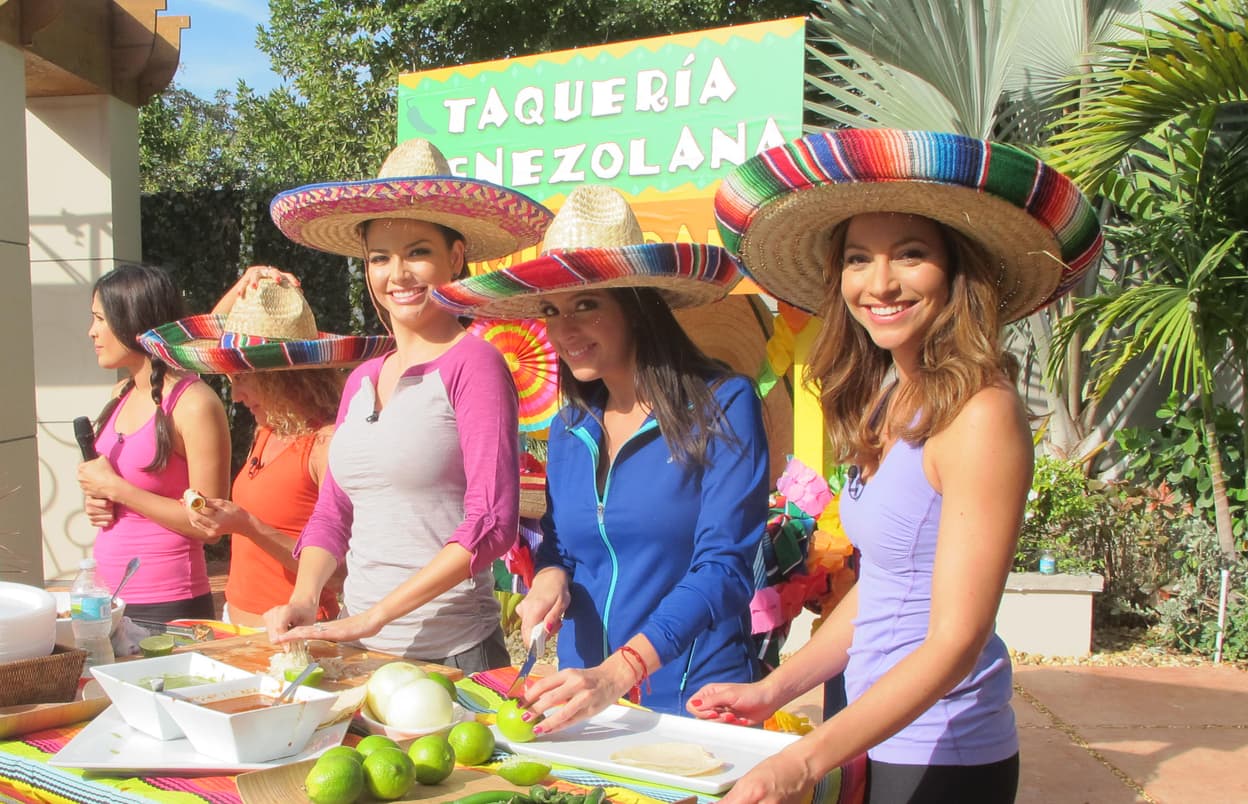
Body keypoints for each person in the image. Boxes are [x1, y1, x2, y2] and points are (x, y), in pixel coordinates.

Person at [688, 129, 1103, 804]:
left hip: (943, 754)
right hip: (870, 732)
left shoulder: (980, 414)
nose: (879, 284)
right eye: (858, 259)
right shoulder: (888, 393)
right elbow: (884, 586)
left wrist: (803, 761)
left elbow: (957, 640)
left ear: (956, 270)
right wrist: (774, 689)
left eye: (910, 254)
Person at [433, 184, 770, 731]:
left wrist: (622, 671)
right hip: (583, 701)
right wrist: (549, 579)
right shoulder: (569, 429)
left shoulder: (724, 404)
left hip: (696, 701)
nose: (565, 329)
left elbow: (725, 567)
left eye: (586, 305)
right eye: (552, 310)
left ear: (636, 306)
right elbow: (562, 549)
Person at [260, 139, 553, 673]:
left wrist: (375, 617)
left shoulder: (475, 364)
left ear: (454, 258)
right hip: (359, 651)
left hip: (453, 653)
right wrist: (305, 598)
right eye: (380, 258)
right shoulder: (362, 380)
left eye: (417, 252)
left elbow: (492, 523)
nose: (397, 274)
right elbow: (333, 511)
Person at [138, 268, 394, 627]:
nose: (235, 395)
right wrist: (244, 286)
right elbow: (197, 355)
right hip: (238, 623)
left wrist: (248, 526)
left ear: (282, 379)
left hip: (294, 632)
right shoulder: (270, 428)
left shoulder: (325, 443)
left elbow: (340, 572)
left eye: (243, 379)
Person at [77, 263, 232, 622]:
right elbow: (121, 494)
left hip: (168, 601)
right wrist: (98, 501)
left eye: (100, 319)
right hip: (107, 597)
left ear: (131, 321)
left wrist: (116, 489)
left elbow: (210, 524)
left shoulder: (193, 404)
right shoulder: (121, 393)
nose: (91, 331)